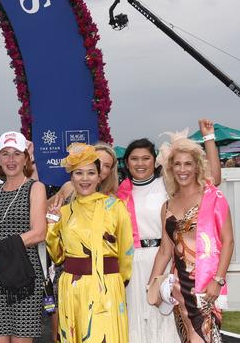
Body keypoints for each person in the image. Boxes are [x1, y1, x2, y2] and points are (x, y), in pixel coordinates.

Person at [120, 119, 221, 343]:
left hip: (167, 259)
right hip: (133, 262)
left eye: (145, 158)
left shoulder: (168, 186)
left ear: (155, 161)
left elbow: (213, 179)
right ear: (126, 162)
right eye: (134, 159)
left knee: (169, 319)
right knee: (138, 316)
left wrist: (209, 138)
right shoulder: (120, 192)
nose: (140, 163)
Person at [149, 135, 233, 342]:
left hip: (206, 285)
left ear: (197, 166)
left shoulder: (213, 197)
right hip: (177, 286)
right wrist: (152, 284)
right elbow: (165, 251)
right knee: (187, 337)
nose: (182, 169)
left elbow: (228, 241)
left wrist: (218, 281)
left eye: (188, 163)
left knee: (204, 337)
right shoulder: (167, 206)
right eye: (177, 164)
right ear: (170, 168)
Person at [46, 143, 134, 342]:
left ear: (99, 176)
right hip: (72, 290)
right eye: (79, 173)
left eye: (90, 173)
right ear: (71, 177)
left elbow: (126, 252)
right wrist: (51, 226)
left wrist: (117, 284)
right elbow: (58, 256)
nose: (85, 178)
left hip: (107, 287)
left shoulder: (115, 207)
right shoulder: (64, 212)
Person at [0, 131, 47, 342]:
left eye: (17, 154)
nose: (11, 160)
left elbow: (39, 232)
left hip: (25, 276)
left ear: (26, 158)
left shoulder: (35, 188)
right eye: (5, 154)